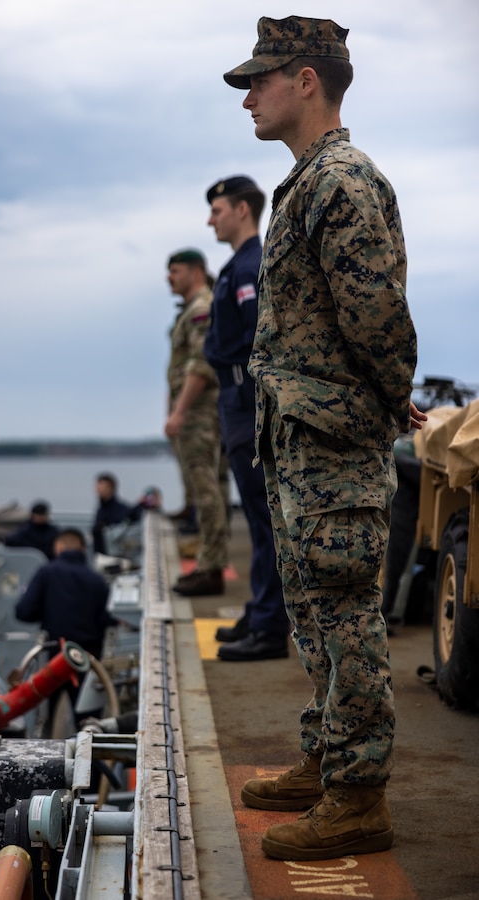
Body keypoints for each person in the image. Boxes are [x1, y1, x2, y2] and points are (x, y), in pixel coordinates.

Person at [222, 15, 426, 861]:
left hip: (334, 437)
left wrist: (393, 397)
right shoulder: (307, 183)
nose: (249, 101)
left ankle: (358, 795)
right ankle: (326, 756)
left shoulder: (340, 180)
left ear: (307, 80)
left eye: (259, 83)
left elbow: (377, 315)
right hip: (303, 438)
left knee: (344, 612)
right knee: (313, 610)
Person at [204, 175, 291, 661]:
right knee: (259, 522)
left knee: (264, 520)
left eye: (217, 209)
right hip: (234, 400)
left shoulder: (251, 266)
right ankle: (260, 609)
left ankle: (269, 627)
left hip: (247, 397)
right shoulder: (237, 266)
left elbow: (259, 337)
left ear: (241, 210)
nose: (210, 218)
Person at [165, 248, 229, 596]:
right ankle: (210, 562)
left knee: (207, 491)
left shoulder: (201, 308)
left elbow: (201, 365)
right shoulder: (193, 309)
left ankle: (211, 567)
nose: (169, 278)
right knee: (208, 488)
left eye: (175, 271)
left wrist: (179, 411)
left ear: (195, 272)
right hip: (197, 411)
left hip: (200, 412)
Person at [15, 528, 117, 724]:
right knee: (87, 722)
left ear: (58, 547)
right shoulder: (97, 580)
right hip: (89, 660)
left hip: (56, 657)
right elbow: (107, 619)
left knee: (46, 718)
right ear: (83, 549)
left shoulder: (47, 573)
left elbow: (23, 611)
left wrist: (47, 612)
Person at [91, 473, 142, 555]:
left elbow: (131, 518)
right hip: (101, 555)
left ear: (111, 488)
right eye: (97, 487)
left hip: (116, 555)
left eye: (101, 487)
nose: (98, 490)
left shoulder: (120, 510)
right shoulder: (101, 510)